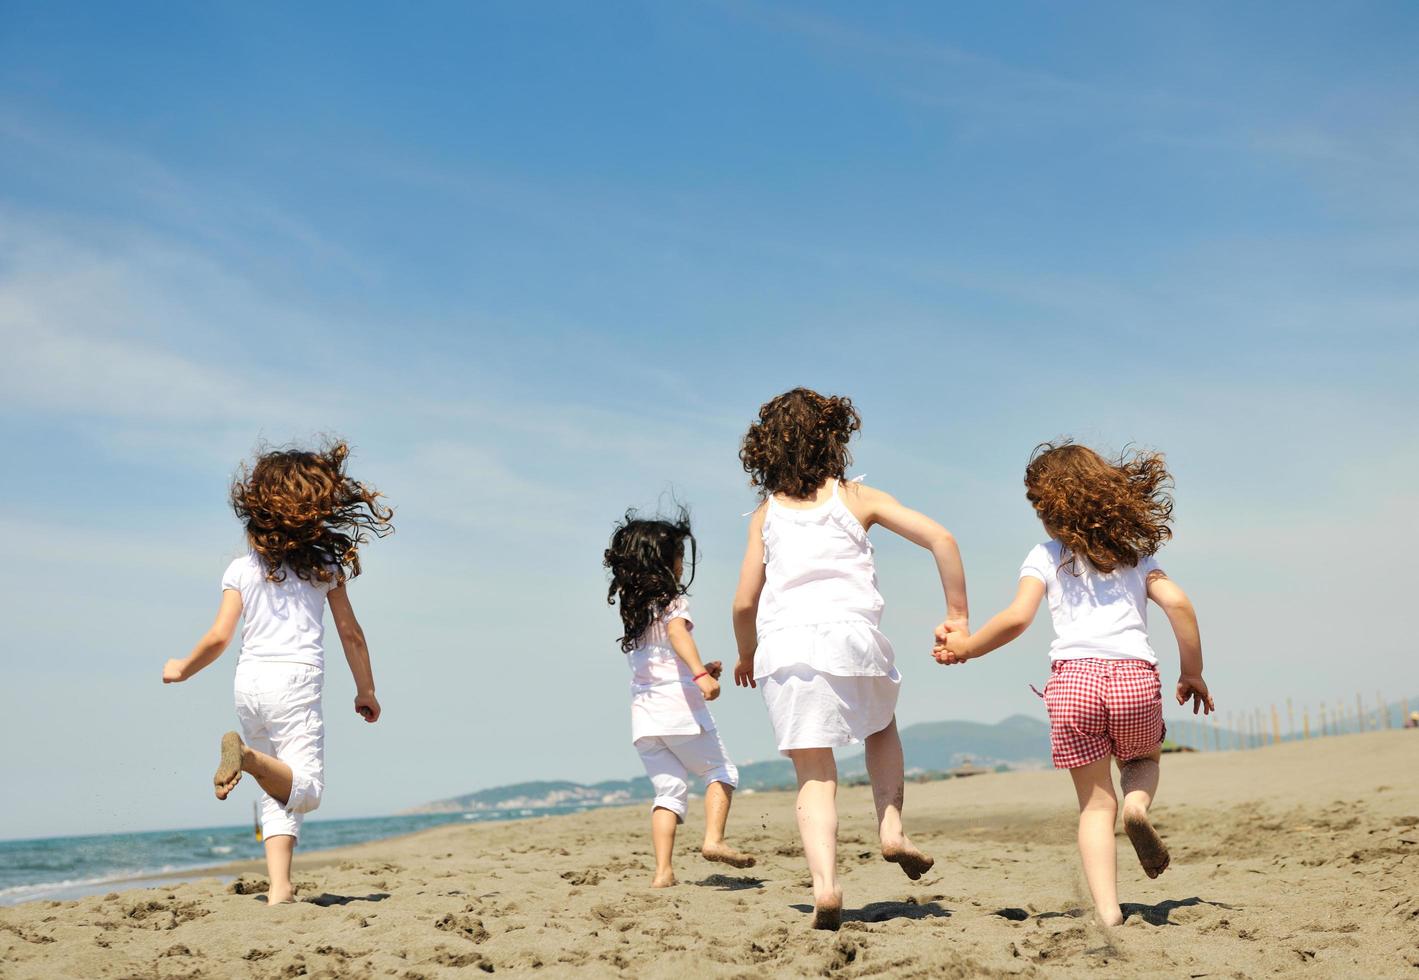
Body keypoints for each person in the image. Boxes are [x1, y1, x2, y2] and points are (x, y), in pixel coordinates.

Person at [935, 441, 1213, 927]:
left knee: (1092, 805)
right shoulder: (1138, 555)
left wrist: (967, 647)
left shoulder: (1044, 555)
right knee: (1143, 761)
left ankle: (1108, 911)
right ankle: (1138, 807)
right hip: (1133, 679)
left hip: (1073, 685)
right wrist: (1192, 671)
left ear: (1053, 510)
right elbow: (1180, 604)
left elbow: (1018, 618)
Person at [731, 388, 968, 930]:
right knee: (880, 726)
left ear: (764, 450)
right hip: (852, 639)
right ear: (833, 438)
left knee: (814, 776)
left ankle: (826, 887)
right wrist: (958, 614)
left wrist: (748, 652)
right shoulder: (856, 498)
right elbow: (942, 538)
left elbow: (744, 601)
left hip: (785, 648)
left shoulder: (765, 516)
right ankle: (891, 829)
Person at [163, 441, 392, 904]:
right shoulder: (325, 567)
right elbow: (351, 634)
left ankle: (281, 888)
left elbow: (219, 637)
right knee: (305, 791)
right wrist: (365, 688)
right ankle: (245, 758)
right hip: (296, 681)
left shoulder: (241, 569)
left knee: (276, 788)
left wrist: (183, 668)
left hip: (249, 684)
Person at [605, 509, 756, 888]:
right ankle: (714, 839)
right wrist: (701, 675)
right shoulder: (672, 602)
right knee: (720, 772)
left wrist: (699, 668)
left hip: (645, 719)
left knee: (668, 791)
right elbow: (677, 635)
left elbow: (658, 660)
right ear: (665, 562)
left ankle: (662, 872)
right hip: (679, 710)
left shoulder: (634, 612)